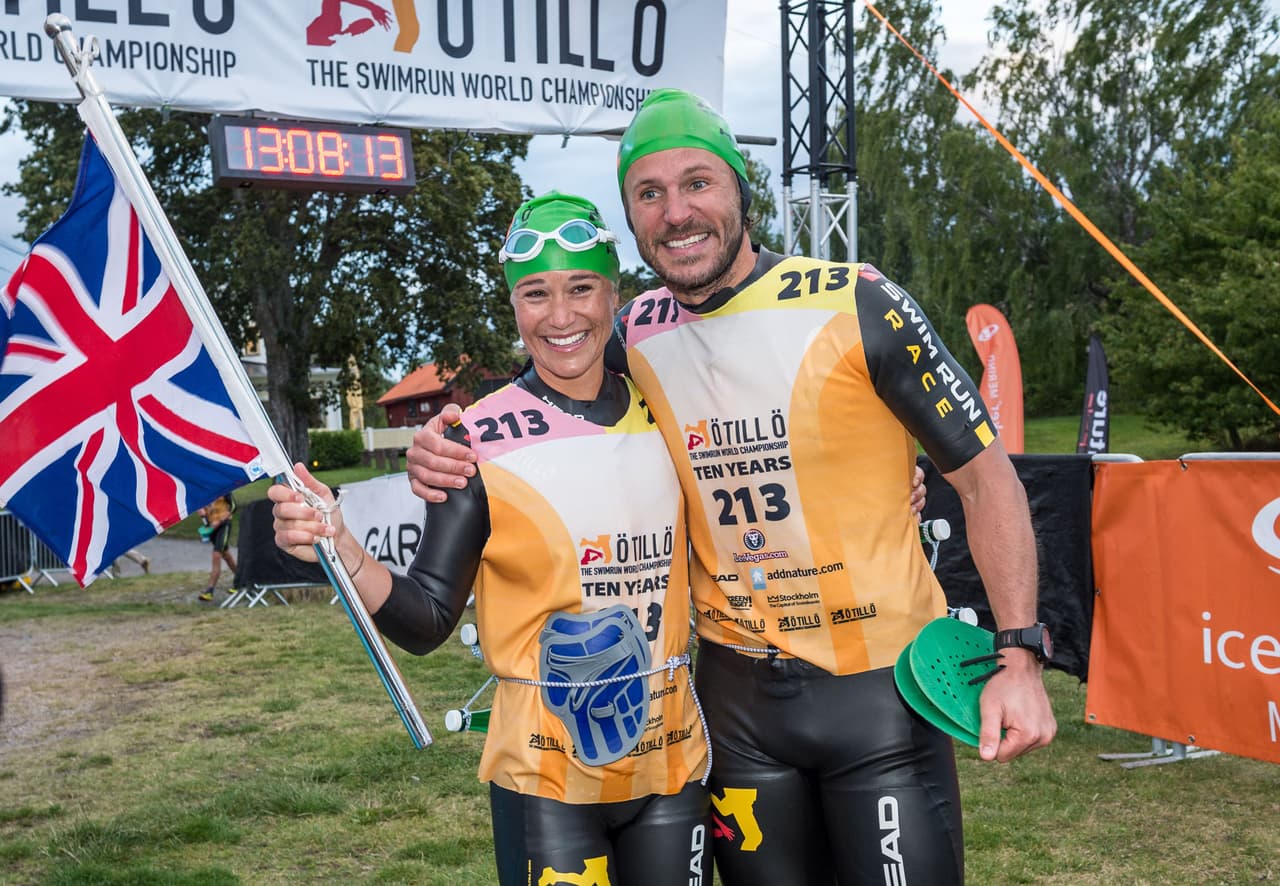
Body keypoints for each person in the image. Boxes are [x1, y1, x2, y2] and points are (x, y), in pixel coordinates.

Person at [407, 89, 1056, 885]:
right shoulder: (631, 331)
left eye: (698, 183)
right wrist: (441, 443)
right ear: (633, 219)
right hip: (736, 712)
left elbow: (988, 481)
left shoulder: (857, 300)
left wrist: (1019, 657)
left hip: (879, 696)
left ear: (741, 187)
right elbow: (537, 400)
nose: (677, 212)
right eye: (650, 194)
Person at [269, 193, 712, 885]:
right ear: (513, 307)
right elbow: (425, 619)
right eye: (535, 294)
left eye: (581, 288)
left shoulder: (673, 409)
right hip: (544, 773)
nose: (561, 317)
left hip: (672, 761)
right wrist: (343, 546)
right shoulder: (471, 441)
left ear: (613, 296)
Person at [197, 493, 237, 602]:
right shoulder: (203, 490)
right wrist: (203, 515)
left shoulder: (224, 487)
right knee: (226, 554)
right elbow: (203, 514)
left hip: (224, 525)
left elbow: (234, 506)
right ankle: (241, 579)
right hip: (212, 528)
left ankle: (210, 590)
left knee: (217, 555)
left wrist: (220, 521)